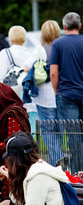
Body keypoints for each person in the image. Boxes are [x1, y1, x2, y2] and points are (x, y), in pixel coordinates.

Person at [23, 20, 64, 167]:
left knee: (48, 130)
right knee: (59, 129)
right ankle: (60, 158)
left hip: (44, 98)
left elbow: (27, 67)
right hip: (61, 95)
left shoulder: (40, 50)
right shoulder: (62, 47)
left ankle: (57, 158)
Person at [50, 12, 83, 174]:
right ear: (80, 26)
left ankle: (78, 172)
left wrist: (57, 92)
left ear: (64, 27)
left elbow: (54, 73)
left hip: (67, 94)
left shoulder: (58, 44)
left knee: (73, 135)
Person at [0, 25, 37, 132]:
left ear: (10, 39)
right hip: (30, 99)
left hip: (12, 100)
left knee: (13, 132)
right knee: (30, 131)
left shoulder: (5, 53)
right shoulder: (32, 54)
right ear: (24, 39)